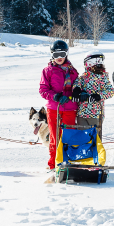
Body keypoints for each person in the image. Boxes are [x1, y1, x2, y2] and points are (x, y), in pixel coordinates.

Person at [39, 40, 79, 171]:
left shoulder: (73, 71)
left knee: (69, 136)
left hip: (70, 108)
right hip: (54, 108)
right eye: (56, 55)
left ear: (66, 53)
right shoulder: (47, 70)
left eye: (62, 54)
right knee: (55, 137)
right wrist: (54, 96)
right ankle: (53, 164)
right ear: (52, 55)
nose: (59, 57)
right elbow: (43, 90)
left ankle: (69, 161)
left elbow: (78, 87)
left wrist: (77, 93)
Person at [71, 53, 114, 139]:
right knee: (82, 137)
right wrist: (76, 90)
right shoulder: (83, 76)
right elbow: (77, 83)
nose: (98, 65)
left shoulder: (103, 77)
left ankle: (95, 152)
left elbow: (110, 91)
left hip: (95, 113)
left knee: (93, 138)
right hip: (82, 113)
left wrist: (98, 96)